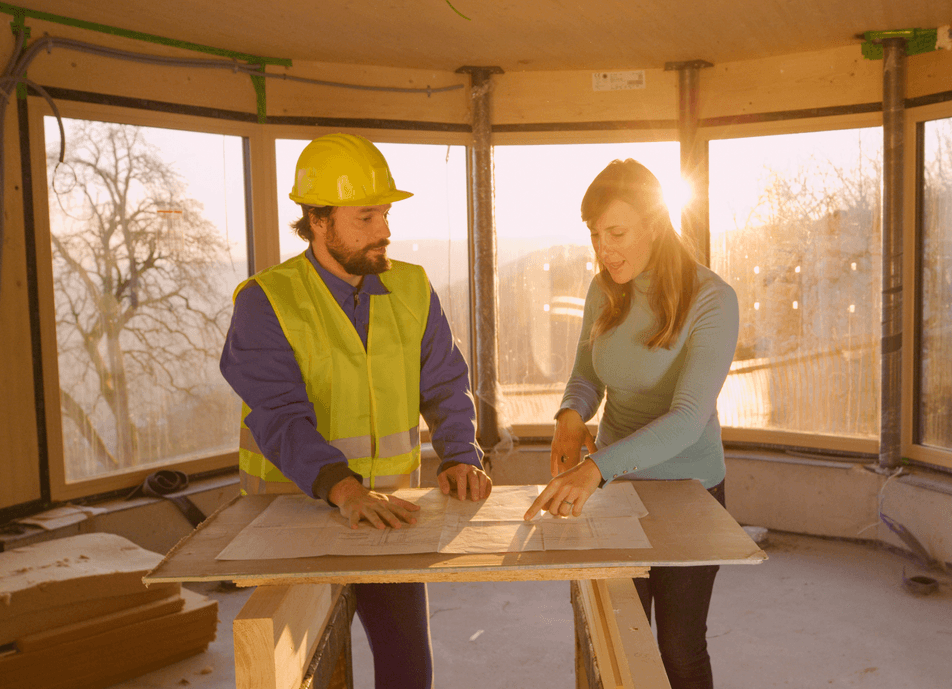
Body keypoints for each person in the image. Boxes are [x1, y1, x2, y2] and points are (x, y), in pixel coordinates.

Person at [220, 132, 491, 689]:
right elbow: (278, 414)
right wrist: (344, 490)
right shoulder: (265, 301)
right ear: (318, 220)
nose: (385, 231)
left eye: (385, 214)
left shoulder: (412, 287)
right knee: (309, 672)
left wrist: (460, 454)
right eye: (366, 217)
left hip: (390, 518)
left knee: (409, 673)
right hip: (292, 519)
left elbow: (444, 382)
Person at [524, 158, 739, 689]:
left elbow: (688, 419)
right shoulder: (606, 289)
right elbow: (586, 375)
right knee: (618, 637)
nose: (604, 249)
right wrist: (571, 418)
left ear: (656, 223)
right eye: (595, 235)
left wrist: (595, 468)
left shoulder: (713, 298)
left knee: (678, 648)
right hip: (615, 486)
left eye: (615, 232)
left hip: (689, 492)